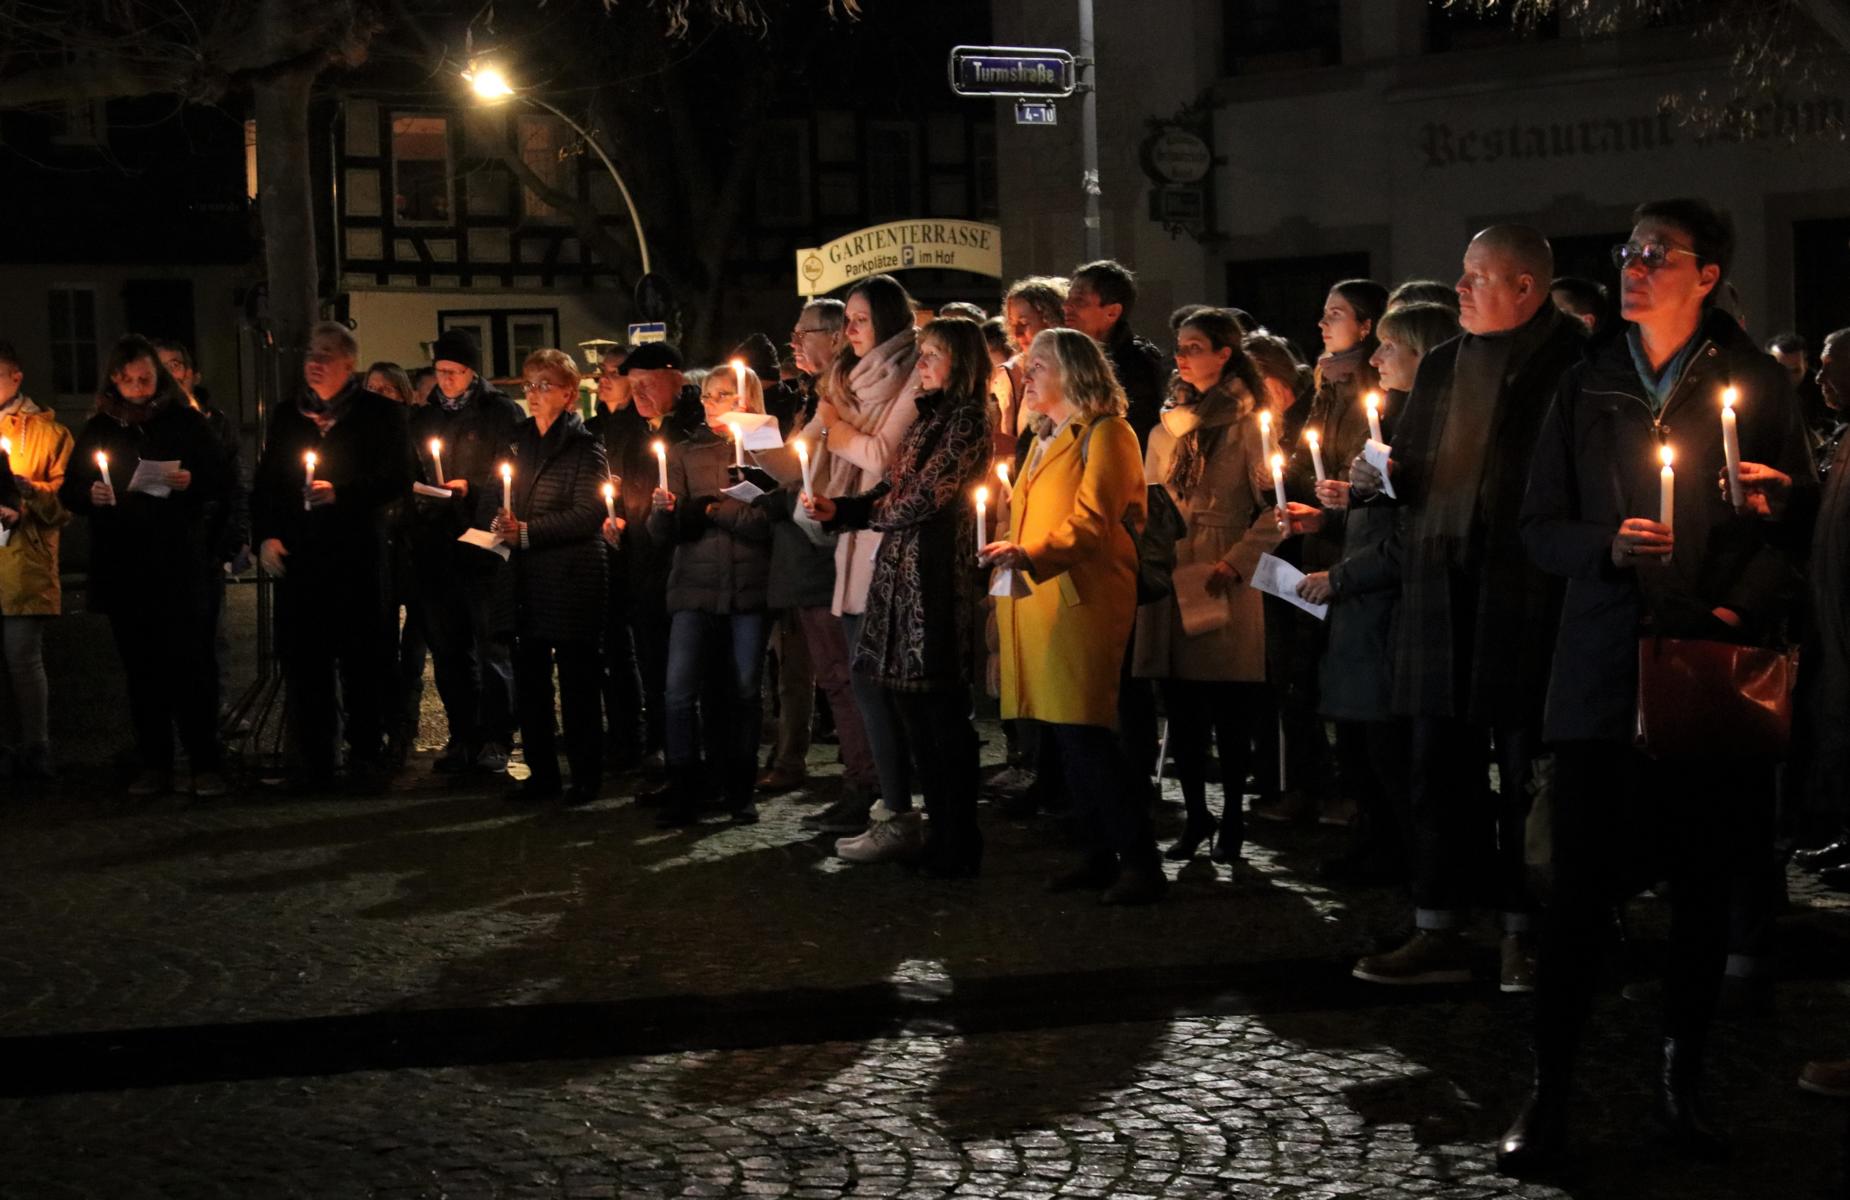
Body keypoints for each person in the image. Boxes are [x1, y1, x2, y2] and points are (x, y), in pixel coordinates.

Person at [1500, 199, 1817, 1174]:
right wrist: (1604, 545)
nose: (1631, 268)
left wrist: (1728, 605)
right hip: (1599, 669)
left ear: (1705, 275)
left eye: (1654, 254)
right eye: (1625, 253)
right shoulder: (1582, 379)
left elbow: (1792, 531)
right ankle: (1548, 1096)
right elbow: (1535, 525)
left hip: (1705, 671)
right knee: (1575, 897)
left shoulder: (1752, 381)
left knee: (1697, 892)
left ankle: (1677, 1092)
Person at [1346, 229, 1583, 995]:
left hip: (1523, 588)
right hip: (1435, 586)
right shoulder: (1445, 363)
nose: (1461, 287)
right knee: (1433, 767)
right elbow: (1412, 466)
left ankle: (1527, 931)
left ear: (1525, 288)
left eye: (1478, 277)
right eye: (1462, 272)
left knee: (1523, 772)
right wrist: (1380, 476)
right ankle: (1438, 923)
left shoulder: (1573, 364)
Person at [806, 317, 992, 873]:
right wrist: (843, 510)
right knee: (911, 710)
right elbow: (892, 484)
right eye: (924, 354)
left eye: (935, 355)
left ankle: (959, 838)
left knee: (940, 714)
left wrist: (876, 515)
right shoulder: (924, 419)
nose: (925, 365)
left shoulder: (966, 420)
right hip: (898, 573)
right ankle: (936, 830)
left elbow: (925, 496)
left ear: (961, 363)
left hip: (933, 579)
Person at [985, 327, 1161, 902]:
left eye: (1038, 367)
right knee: (1064, 736)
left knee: (1087, 732)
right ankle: (1095, 851)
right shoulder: (1041, 439)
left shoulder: (1108, 434)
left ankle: (1140, 862)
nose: (1026, 377)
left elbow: (1093, 521)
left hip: (1083, 598)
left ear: (1074, 372)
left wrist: (1029, 554)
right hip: (1041, 600)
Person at [1299, 302, 1463, 886]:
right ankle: (1377, 845)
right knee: (1365, 754)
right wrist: (1329, 517)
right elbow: (1379, 519)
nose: (1376, 357)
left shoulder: (1434, 433)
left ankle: (1408, 866)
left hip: (1390, 619)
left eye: (1390, 346)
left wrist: (1339, 576)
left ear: (1426, 356)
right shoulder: (1393, 425)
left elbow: (1411, 537)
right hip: (1363, 614)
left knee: (1394, 758)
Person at [1132, 310, 1285, 870]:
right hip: (1173, 572)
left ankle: (1235, 820)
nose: (1182, 357)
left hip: (1222, 573)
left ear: (1224, 354)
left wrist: (1238, 560)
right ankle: (1196, 815)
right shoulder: (1165, 428)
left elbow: (1276, 509)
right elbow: (1152, 501)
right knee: (1184, 709)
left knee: (1229, 706)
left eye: (1195, 346)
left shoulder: (1250, 424)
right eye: (1180, 347)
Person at [61, 335, 229, 796]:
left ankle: (204, 763)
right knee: (142, 671)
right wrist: (89, 495)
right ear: (114, 380)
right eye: (129, 380)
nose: (138, 388)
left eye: (146, 379)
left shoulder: (185, 423)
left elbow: (220, 477)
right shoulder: (101, 427)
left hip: (177, 564)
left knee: (192, 667)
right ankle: (155, 763)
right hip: (125, 566)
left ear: (159, 378)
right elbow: (71, 487)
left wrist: (191, 480)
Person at [252, 322, 411, 791]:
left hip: (355, 557)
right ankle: (317, 762)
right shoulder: (289, 416)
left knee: (362, 662)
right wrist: (268, 536)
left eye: (325, 355)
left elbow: (396, 478)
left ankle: (365, 757)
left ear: (349, 364)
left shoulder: (379, 415)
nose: (314, 363)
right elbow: (267, 484)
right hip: (302, 560)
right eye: (310, 355)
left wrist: (340, 493)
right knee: (306, 665)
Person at [1253, 280, 1389, 825]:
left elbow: (1369, 475)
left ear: (1366, 326)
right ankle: (1311, 783)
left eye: (1336, 314)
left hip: (1348, 545)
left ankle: (1357, 795)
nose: (1322, 323)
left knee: (1346, 675)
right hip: (1314, 538)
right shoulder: (1321, 386)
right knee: (1298, 673)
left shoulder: (1371, 391)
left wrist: (1330, 509)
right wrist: (1281, 477)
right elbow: (1313, 459)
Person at [792, 275, 923, 837]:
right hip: (848, 539)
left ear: (888, 322)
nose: (850, 330)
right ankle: (873, 792)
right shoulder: (845, 381)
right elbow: (820, 447)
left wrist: (835, 426)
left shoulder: (909, 377)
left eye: (861, 319)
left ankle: (897, 802)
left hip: (885, 546)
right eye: (846, 319)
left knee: (884, 688)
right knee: (857, 681)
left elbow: (880, 455)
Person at [758, 301, 882, 817]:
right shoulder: (818, 396)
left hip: (828, 547)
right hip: (814, 544)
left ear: (834, 339)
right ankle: (864, 777)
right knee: (834, 673)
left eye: (801, 333)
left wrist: (765, 466)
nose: (793, 343)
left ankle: (866, 781)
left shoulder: (840, 397)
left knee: (841, 672)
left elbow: (812, 469)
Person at [649, 364, 775, 827]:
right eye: (705, 395)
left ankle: (740, 788)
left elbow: (768, 523)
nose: (710, 402)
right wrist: (663, 512)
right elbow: (662, 530)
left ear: (745, 399)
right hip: (693, 586)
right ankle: (684, 786)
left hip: (747, 588)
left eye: (721, 394)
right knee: (679, 691)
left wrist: (711, 510)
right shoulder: (686, 452)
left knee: (744, 690)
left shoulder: (767, 452)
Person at [493, 349, 609, 805]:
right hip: (525, 580)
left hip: (572, 578)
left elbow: (588, 510)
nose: (534, 393)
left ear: (567, 393)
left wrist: (527, 532)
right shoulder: (517, 441)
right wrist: (496, 524)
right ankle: (542, 775)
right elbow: (494, 494)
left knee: (579, 684)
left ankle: (585, 777)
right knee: (531, 683)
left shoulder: (585, 445)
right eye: (529, 384)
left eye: (544, 385)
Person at [408, 329, 523, 774]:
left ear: (472, 371)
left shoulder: (499, 413)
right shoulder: (425, 416)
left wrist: (470, 490)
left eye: (454, 372)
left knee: (492, 648)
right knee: (450, 651)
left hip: (484, 548)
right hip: (438, 549)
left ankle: (497, 737)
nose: (446, 381)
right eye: (440, 373)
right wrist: (424, 497)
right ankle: (463, 735)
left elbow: (508, 474)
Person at [154, 339, 251, 725]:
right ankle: (171, 716)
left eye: (176, 365)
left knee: (213, 634)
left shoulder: (216, 422)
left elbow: (234, 482)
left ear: (192, 373)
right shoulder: (147, 422)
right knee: (164, 638)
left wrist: (237, 534)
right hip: (162, 543)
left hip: (207, 540)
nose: (170, 375)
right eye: (160, 367)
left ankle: (215, 708)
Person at [0, 341, 73, 780]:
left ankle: (36, 744)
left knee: (23, 659)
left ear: (16, 377)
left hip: (23, 560)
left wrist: (27, 497)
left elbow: (64, 504)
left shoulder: (48, 433)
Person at [361, 360, 426, 752]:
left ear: (402, 394)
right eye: (372, 388)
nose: (378, 396)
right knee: (379, 642)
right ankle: (385, 720)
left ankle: (405, 721)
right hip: (378, 547)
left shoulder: (410, 430)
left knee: (415, 643)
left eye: (387, 389)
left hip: (411, 546)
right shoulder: (360, 434)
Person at [1063, 260, 1165, 447]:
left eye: (1079, 300)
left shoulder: (1137, 365)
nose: (1067, 307)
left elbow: (1134, 435)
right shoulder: (1067, 358)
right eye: (1068, 298)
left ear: (1112, 312)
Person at [993, 276, 1067, 461]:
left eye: (1024, 323)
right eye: (1012, 324)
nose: (1017, 333)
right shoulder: (1010, 374)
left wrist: (1015, 446)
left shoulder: (1071, 371)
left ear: (1050, 320)